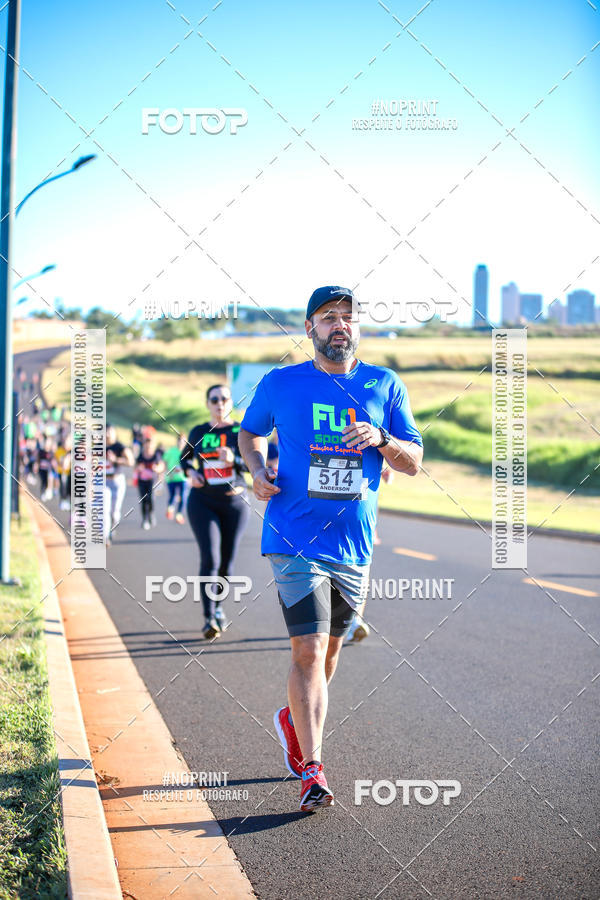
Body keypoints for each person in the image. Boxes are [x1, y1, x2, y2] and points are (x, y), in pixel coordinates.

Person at [238, 285, 423, 812]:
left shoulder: (384, 385)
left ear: (358, 328)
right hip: (294, 537)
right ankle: (313, 770)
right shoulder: (281, 384)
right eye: (327, 318)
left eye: (347, 317)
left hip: (353, 546)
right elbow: (250, 434)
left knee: (332, 653)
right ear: (309, 329)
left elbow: (412, 459)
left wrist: (382, 439)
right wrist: (256, 471)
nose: (339, 325)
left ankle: (293, 723)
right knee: (310, 649)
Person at [181, 384, 250, 640]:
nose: (219, 403)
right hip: (203, 501)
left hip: (234, 504)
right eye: (214, 400)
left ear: (231, 402)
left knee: (226, 563)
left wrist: (235, 460)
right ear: (207, 404)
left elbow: (254, 465)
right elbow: (184, 458)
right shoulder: (199, 431)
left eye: (224, 399)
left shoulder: (241, 431)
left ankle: (219, 608)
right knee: (209, 559)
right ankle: (209, 617)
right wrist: (191, 472)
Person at [346, 466, 395, 643]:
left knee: (360, 572)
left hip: (360, 522)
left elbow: (388, 469)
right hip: (319, 518)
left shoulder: (369, 441)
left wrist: (386, 470)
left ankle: (355, 621)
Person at [104, 425, 134, 543]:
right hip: (103, 481)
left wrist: (116, 460)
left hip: (117, 481)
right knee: (105, 509)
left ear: (114, 433)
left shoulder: (119, 447)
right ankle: (106, 536)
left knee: (114, 511)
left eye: (109, 431)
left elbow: (131, 461)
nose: (107, 434)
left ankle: (112, 528)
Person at [135, 436, 164, 530]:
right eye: (147, 446)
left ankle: (151, 514)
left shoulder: (156, 456)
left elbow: (161, 467)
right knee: (143, 500)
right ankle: (145, 520)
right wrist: (138, 469)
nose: (148, 448)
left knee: (150, 499)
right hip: (142, 481)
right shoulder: (140, 455)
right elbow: (135, 467)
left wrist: (157, 468)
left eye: (150, 446)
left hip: (152, 481)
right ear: (144, 446)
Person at [163, 434, 187, 524]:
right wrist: (168, 472)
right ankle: (170, 508)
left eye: (183, 441)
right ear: (177, 441)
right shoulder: (171, 451)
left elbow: (192, 464)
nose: (181, 443)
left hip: (183, 478)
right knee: (172, 495)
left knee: (183, 496)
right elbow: (164, 461)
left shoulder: (188, 452)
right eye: (180, 440)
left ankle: (179, 515)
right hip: (171, 478)